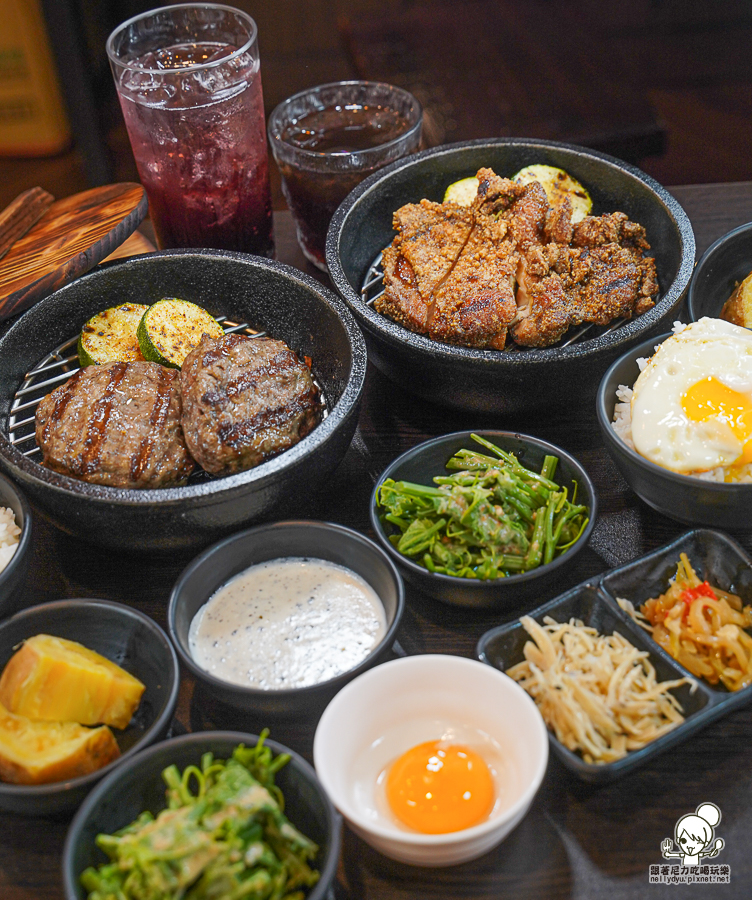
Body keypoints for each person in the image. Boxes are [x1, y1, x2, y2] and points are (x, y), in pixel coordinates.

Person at [661, 802, 725, 867]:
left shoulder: (697, 854)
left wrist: (715, 849)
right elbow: (669, 855)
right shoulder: (685, 854)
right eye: (684, 841)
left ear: (706, 844)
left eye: (698, 842)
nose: (690, 847)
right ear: (678, 840)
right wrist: (667, 851)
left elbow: (710, 854)